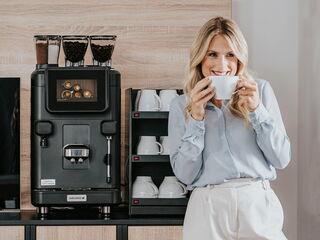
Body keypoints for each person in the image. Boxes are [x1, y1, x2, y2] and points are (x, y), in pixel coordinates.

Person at [168, 16, 291, 240]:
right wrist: (196, 117)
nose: (222, 65)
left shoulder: (260, 91)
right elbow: (185, 175)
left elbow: (281, 158)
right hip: (207, 208)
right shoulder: (181, 105)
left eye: (230, 55)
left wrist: (256, 111)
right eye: (212, 54)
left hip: (256, 203)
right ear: (199, 57)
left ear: (239, 59)